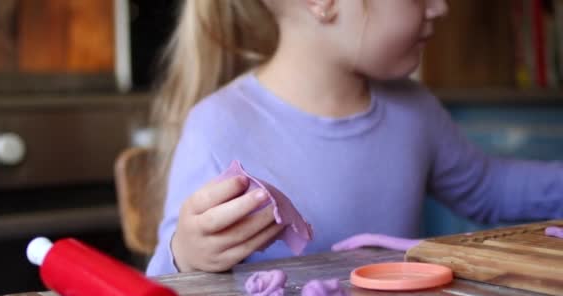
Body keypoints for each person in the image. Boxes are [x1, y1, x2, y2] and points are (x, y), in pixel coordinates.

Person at [146, 0, 563, 276]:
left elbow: (490, 190)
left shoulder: (416, 111)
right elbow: (163, 284)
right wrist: (186, 256)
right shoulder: (218, 125)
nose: (441, 7)